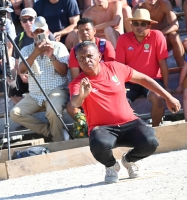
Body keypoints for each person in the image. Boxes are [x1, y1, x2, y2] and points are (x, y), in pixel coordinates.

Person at [69, 41, 180, 183]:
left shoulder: (115, 68)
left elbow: (144, 79)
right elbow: (75, 102)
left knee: (151, 141)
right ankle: (111, 166)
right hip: (103, 129)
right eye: (81, 58)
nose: (86, 60)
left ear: (99, 56)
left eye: (90, 56)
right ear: (77, 61)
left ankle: (129, 160)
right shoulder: (78, 82)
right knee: (97, 144)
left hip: (130, 123)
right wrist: (83, 95)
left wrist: (168, 97)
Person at [10, 17, 70, 142]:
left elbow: (64, 72)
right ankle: (50, 131)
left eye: (41, 31)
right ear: (32, 34)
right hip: (35, 94)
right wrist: (36, 52)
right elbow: (21, 70)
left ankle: (59, 142)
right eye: (36, 32)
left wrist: (51, 56)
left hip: (56, 90)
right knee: (15, 113)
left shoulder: (58, 47)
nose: (39, 34)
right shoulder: (26, 49)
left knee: (53, 110)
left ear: (48, 32)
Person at [116, 9, 170, 127]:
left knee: (158, 98)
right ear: (131, 24)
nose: (139, 27)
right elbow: (119, 67)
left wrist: (166, 88)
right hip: (129, 82)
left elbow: (163, 64)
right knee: (121, 102)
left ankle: (155, 130)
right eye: (135, 23)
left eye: (143, 24)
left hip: (152, 80)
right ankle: (133, 133)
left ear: (149, 25)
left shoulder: (157, 35)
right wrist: (119, 88)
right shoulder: (123, 39)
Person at [66, 17, 116, 119]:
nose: (84, 33)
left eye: (87, 30)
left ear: (94, 30)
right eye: (81, 31)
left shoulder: (105, 45)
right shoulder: (75, 51)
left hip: (106, 84)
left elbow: (112, 70)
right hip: (86, 85)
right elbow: (75, 78)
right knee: (71, 107)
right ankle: (85, 127)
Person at [9, 8, 55, 105]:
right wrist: (21, 74)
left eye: (30, 19)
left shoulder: (48, 35)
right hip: (28, 74)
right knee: (12, 88)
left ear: (36, 19)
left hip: (46, 75)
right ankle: (27, 109)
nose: (28, 23)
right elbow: (17, 63)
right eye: (24, 20)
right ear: (21, 23)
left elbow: (53, 57)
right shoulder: (19, 39)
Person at [133, 0, 184, 69]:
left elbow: (175, 25)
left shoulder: (164, 4)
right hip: (147, 41)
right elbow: (135, 31)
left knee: (174, 36)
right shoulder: (138, 9)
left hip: (164, 37)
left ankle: (183, 69)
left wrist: (158, 34)